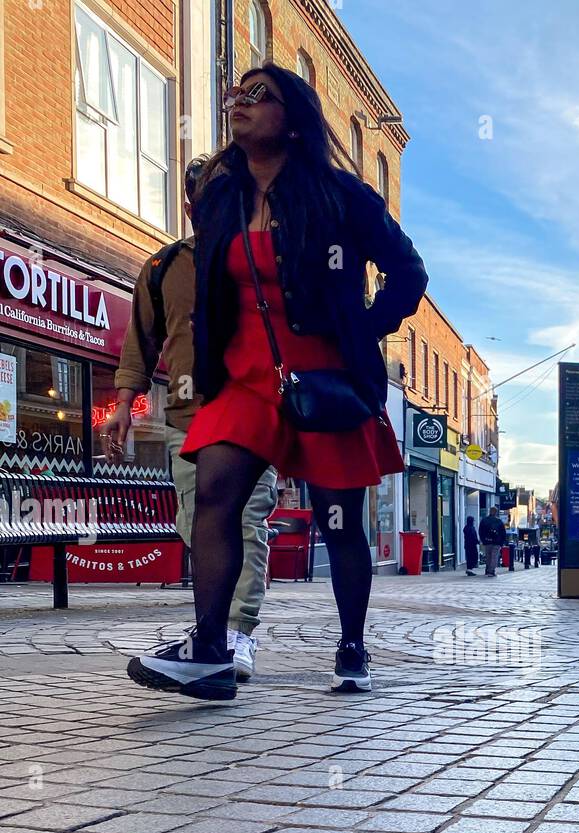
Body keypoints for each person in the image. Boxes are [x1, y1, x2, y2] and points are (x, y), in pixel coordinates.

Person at [126, 65, 428, 700]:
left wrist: (361, 330)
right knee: (215, 493)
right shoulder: (221, 198)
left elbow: (407, 272)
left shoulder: (341, 195)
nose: (239, 102)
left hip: (324, 375)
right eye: (235, 93)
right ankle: (210, 648)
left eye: (258, 95)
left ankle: (352, 644)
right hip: (242, 376)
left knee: (339, 519)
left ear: (292, 117)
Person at [108, 158, 277, 684]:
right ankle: (212, 635)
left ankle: (233, 635)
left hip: (252, 410)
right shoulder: (161, 269)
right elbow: (141, 342)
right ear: (189, 206)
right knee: (197, 522)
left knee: (244, 521)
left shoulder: (264, 257)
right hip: (188, 417)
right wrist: (123, 405)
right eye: (209, 195)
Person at [479, 507, 506, 577]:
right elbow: (503, 533)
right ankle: (491, 571)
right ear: (496, 512)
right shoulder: (499, 521)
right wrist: (501, 543)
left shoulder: (484, 520)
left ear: (490, 511)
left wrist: (483, 540)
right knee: (494, 557)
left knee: (488, 556)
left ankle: (488, 570)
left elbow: (480, 531)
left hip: (487, 542)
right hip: (496, 542)